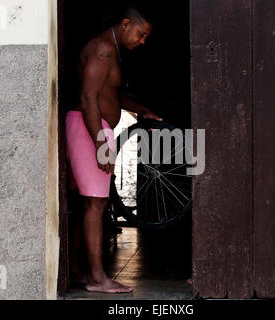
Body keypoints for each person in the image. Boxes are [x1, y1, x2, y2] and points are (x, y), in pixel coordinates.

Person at [66, 2, 162, 294]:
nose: (142, 41)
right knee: (96, 203)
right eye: (141, 34)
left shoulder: (110, 50)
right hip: (90, 129)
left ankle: (77, 269)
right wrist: (100, 144)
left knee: (89, 202)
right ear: (125, 24)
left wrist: (142, 110)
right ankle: (97, 279)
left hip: (92, 128)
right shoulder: (102, 49)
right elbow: (88, 98)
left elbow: (111, 95)